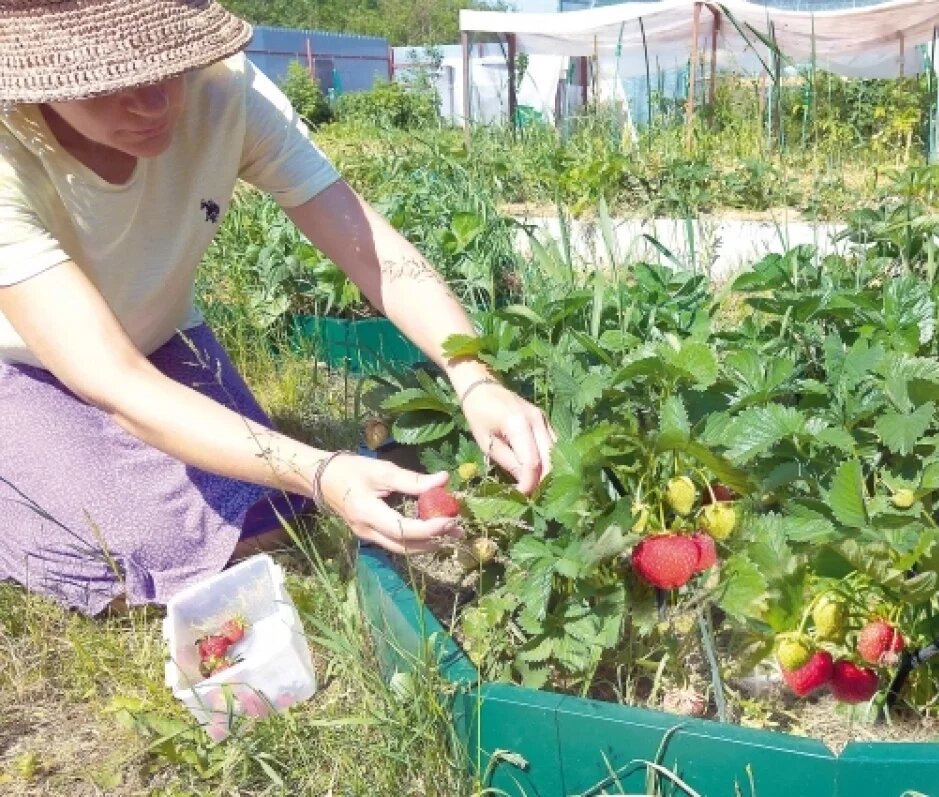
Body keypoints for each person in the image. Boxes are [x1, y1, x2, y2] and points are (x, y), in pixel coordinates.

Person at [0, 0, 555, 617]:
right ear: (39, 79)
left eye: (167, 67)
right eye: (111, 84)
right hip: (23, 359)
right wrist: (320, 470)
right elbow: (112, 379)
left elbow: (369, 249)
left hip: (157, 335)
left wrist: (474, 376)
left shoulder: (223, 92)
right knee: (142, 549)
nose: (154, 104)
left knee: (269, 515)